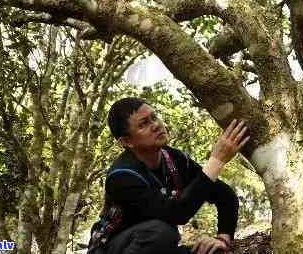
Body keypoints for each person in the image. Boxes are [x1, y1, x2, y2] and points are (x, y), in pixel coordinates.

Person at [90, 97, 250, 254]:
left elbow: (225, 196)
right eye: (143, 124)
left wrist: (222, 239)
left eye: (154, 117)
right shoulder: (121, 177)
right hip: (115, 247)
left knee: (212, 251)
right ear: (126, 142)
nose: (156, 125)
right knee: (161, 232)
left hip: (157, 247)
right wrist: (216, 160)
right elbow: (176, 214)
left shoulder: (176, 159)